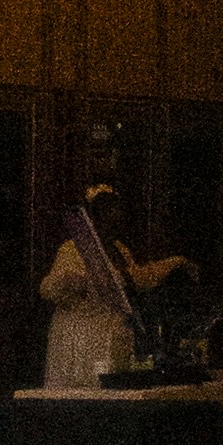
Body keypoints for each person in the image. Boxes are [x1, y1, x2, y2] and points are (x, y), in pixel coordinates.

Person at [37, 160, 190, 390]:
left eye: (118, 215)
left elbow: (136, 278)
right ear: (95, 218)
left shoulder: (119, 249)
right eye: (109, 214)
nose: (116, 220)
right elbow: (49, 288)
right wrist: (73, 281)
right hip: (81, 338)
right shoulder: (73, 249)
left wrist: (176, 262)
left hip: (110, 336)